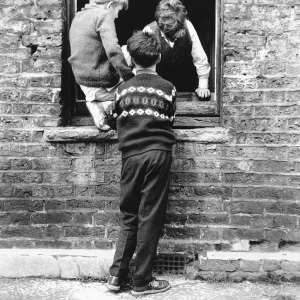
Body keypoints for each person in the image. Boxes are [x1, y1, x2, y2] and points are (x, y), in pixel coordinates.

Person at [107, 31, 176, 296]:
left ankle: (116, 277)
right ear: (158, 56)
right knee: (150, 217)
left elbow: (115, 118)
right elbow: (170, 119)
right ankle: (141, 282)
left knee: (129, 215)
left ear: (131, 59)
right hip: (158, 154)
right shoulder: (168, 88)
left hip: (131, 157)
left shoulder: (122, 89)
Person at [122, 0, 210, 98]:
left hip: (185, 82)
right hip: (158, 87)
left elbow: (200, 58)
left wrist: (203, 86)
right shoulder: (149, 31)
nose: (175, 38)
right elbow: (140, 64)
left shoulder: (188, 26)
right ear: (161, 26)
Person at [68, 0, 134, 131]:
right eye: (118, 11)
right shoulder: (103, 15)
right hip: (99, 79)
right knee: (132, 51)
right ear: (110, 5)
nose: (117, 16)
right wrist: (131, 79)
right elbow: (113, 51)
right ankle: (105, 101)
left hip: (82, 80)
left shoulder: (78, 16)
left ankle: (99, 102)